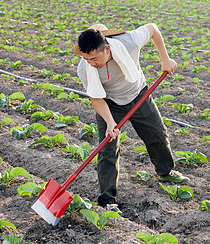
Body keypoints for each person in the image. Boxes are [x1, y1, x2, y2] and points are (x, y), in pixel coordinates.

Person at [74, 23, 189, 209]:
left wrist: (165, 59)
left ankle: (166, 172)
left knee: (157, 134)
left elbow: (152, 29)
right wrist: (110, 123)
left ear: (107, 48)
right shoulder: (84, 69)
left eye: (94, 58)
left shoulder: (129, 41)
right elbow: (96, 99)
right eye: (87, 59)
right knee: (107, 150)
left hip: (138, 94)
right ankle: (107, 199)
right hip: (110, 104)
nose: (91, 63)